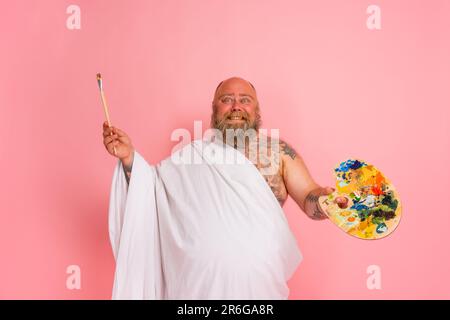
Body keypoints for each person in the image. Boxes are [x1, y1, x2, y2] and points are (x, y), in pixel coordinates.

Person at [103, 77, 348, 299]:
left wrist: (327, 202)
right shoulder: (190, 156)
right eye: (227, 99)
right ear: (214, 109)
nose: (236, 106)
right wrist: (129, 158)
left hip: (260, 288)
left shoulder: (279, 153)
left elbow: (309, 197)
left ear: (257, 109)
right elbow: (150, 190)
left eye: (245, 100)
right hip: (195, 292)